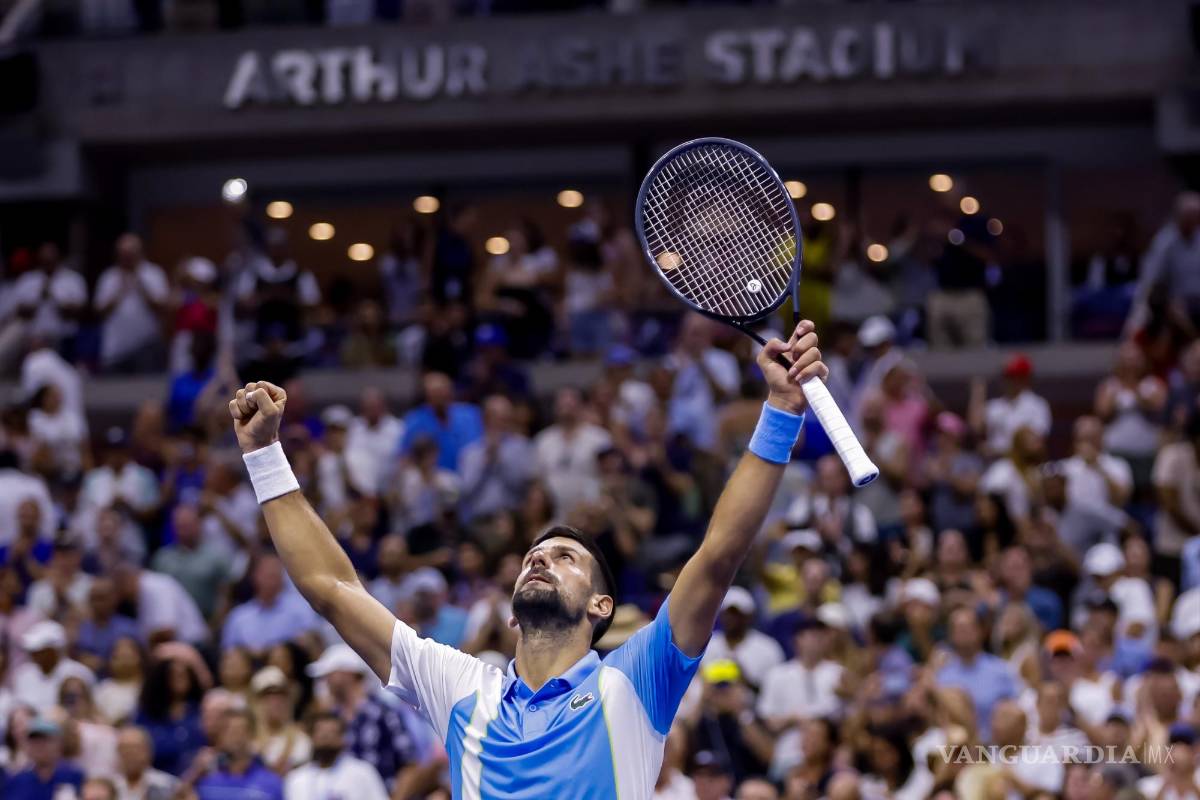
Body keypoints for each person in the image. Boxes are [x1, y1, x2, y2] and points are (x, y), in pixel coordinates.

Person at [228, 319, 828, 796]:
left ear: (601, 605)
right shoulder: (461, 688)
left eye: (565, 557)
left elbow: (719, 553)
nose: (539, 560)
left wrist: (780, 409)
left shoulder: (636, 678)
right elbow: (331, 588)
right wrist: (263, 455)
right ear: (511, 612)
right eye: (532, 557)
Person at [93, 234, 170, 373]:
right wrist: (119, 291)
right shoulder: (109, 276)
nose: (127, 258)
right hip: (115, 349)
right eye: (123, 254)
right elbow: (99, 311)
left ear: (140, 253)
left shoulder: (154, 273)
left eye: (130, 254)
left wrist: (142, 287)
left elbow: (163, 308)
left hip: (147, 348)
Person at [533, 386, 613, 514]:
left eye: (571, 404)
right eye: (562, 404)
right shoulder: (543, 440)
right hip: (553, 513)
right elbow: (537, 480)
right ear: (555, 408)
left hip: (590, 512)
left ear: (582, 406)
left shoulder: (600, 438)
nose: (566, 409)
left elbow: (610, 477)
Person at [221, 554, 319, 656]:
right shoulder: (238, 616)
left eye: (276, 573)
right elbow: (228, 652)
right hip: (252, 663)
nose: (272, 579)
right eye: (268, 574)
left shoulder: (300, 607)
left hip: (292, 661)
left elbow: (313, 641)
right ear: (255, 576)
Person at [282, 712, 388, 800]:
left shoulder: (362, 772)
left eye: (332, 732)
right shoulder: (296, 779)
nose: (326, 737)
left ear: (343, 739)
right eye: (322, 733)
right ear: (312, 738)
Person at [190, 708, 284, 800]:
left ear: (251, 735)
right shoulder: (207, 783)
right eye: (228, 731)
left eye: (239, 731)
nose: (234, 737)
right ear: (221, 736)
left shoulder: (271, 783)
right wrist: (195, 772)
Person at [970, 353, 1052, 457]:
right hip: (996, 464)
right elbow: (976, 427)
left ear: (1025, 378)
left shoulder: (1037, 405)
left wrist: (999, 451)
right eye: (1005, 376)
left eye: (1012, 376)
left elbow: (1035, 443)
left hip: (1023, 463)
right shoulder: (996, 405)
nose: (1008, 381)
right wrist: (978, 393)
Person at [400, 371, 483, 473]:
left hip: (469, 476)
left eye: (442, 392)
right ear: (426, 396)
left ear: (451, 392)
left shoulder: (471, 415)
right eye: (434, 393)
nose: (439, 397)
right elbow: (405, 457)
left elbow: (482, 447)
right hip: (431, 478)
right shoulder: (414, 420)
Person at [13, 620, 95, 714]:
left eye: (41, 651)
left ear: (54, 650)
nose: (35, 655)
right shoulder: (23, 674)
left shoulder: (79, 673)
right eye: (33, 651)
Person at [5, 717, 84, 800]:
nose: (40, 745)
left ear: (59, 743)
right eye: (35, 741)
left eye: (45, 740)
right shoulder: (17, 781)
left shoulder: (74, 775)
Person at [113, 725, 178, 800]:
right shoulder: (109, 785)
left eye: (135, 749)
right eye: (125, 749)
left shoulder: (168, 786)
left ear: (148, 750)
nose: (130, 755)